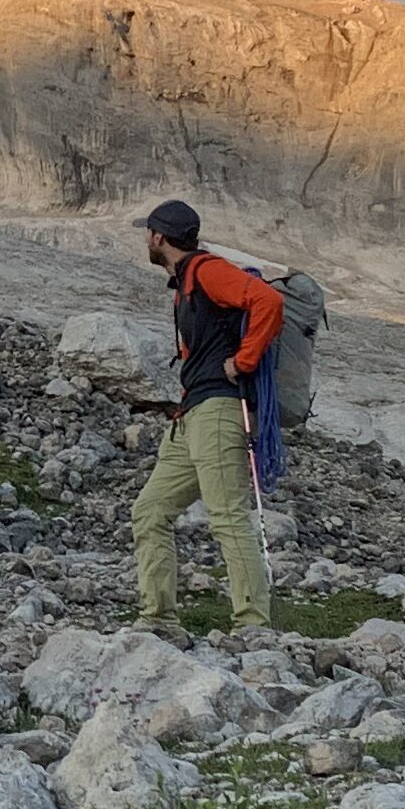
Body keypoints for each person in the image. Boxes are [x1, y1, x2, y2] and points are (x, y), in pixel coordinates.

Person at [131, 197, 284, 631]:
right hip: (192, 415)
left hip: (218, 410)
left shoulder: (206, 271)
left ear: (159, 237)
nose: (147, 240)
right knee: (150, 510)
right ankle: (158, 618)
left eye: (149, 233)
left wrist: (243, 362)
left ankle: (252, 625)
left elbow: (268, 301)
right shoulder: (187, 282)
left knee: (228, 516)